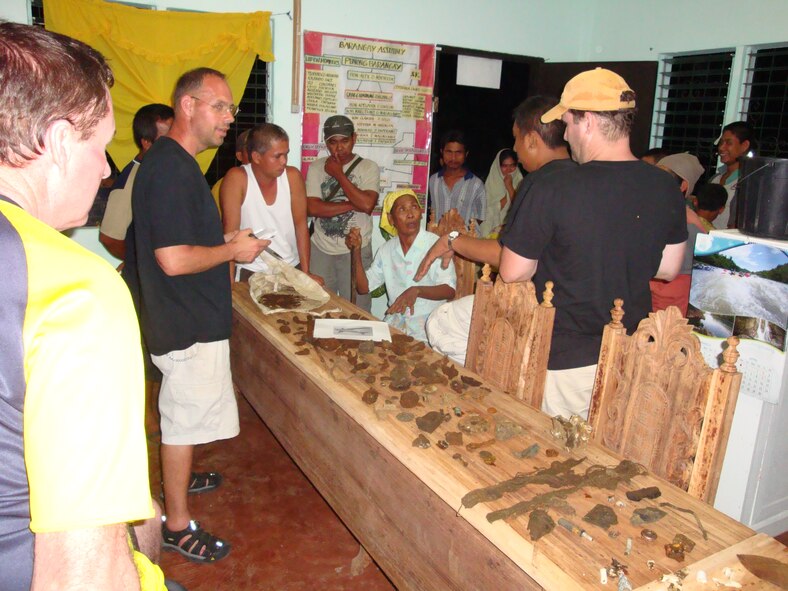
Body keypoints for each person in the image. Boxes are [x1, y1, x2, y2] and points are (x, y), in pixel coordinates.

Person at [0, 21, 168, 590]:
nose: (104, 169)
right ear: (58, 139)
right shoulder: (77, 290)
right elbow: (82, 574)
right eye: (100, 146)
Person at [130, 67, 267, 563]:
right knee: (182, 423)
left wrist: (227, 241)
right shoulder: (169, 167)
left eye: (231, 108)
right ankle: (177, 523)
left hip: (188, 315)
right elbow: (172, 259)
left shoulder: (179, 164)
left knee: (186, 420)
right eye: (220, 106)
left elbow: (183, 243)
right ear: (188, 105)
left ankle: (180, 480)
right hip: (184, 323)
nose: (230, 117)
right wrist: (231, 254)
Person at [498, 68, 687, 420]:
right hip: (629, 357)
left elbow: (512, 272)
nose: (565, 135)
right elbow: (668, 267)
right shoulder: (664, 186)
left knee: (552, 463)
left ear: (587, 122)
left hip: (567, 360)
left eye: (567, 123)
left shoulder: (552, 185)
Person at [416, 96, 573, 366]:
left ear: (532, 140)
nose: (514, 148)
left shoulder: (538, 184)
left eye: (516, 138)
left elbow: (512, 264)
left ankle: (486, 371)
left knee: (442, 322)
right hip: (569, 312)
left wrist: (453, 240)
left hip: (537, 308)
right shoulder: (583, 177)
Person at [346, 189, 455, 342]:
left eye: (414, 207)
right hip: (397, 322)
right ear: (391, 219)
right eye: (402, 209)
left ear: (421, 214)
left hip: (430, 323)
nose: (410, 214)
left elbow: (449, 290)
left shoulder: (436, 245)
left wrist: (417, 291)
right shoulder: (386, 250)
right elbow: (363, 287)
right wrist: (356, 250)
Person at [221, 123, 321, 283]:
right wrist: (230, 284)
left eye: (286, 154)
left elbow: (301, 225)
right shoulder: (237, 178)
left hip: (290, 267)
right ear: (256, 157)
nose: (284, 161)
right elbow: (230, 232)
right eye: (277, 156)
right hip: (250, 270)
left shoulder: (292, 176)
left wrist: (306, 271)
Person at [306, 115, 380, 311]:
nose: (339, 148)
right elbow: (313, 208)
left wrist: (338, 173)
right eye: (333, 142)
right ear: (326, 143)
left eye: (344, 141)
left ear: (354, 138)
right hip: (321, 249)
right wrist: (352, 203)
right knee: (319, 308)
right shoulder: (316, 167)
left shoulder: (368, 167)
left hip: (356, 249)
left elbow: (367, 204)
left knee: (357, 310)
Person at [100, 103, 174, 261]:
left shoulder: (164, 172)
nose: (176, 144)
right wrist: (140, 266)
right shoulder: (131, 181)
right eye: (168, 139)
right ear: (147, 143)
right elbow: (109, 238)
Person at [650, 152, 708, 315]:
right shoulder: (659, 212)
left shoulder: (688, 223)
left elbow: (674, 278)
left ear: (683, 185)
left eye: (663, 176)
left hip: (670, 309)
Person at [428, 129, 486, 227]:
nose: (453, 157)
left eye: (458, 152)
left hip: (465, 240)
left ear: (466, 154)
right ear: (442, 152)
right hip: (438, 240)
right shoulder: (433, 181)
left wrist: (462, 229)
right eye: (449, 152)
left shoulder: (476, 184)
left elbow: (480, 217)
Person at [711, 121, 755, 229]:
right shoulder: (715, 179)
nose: (721, 148)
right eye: (721, 143)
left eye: (728, 143)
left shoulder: (749, 182)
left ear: (744, 146)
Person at [480, 148, 523, 238]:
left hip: (513, 234)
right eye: (504, 166)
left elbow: (522, 209)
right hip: (490, 232)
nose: (508, 170)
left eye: (512, 165)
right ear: (498, 166)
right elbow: (483, 213)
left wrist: (510, 188)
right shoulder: (490, 184)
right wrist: (499, 204)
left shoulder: (521, 182)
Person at [211, 128, 251, 215]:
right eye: (251, 150)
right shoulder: (223, 185)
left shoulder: (279, 181)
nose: (258, 155)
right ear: (239, 156)